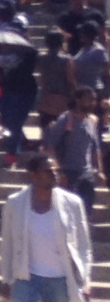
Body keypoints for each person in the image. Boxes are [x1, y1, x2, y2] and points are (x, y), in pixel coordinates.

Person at [0, 155, 92, 302]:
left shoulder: (72, 203)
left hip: (60, 280)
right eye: (48, 171)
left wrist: (85, 280)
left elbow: (83, 244)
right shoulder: (15, 203)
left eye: (56, 170)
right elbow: (7, 243)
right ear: (33, 175)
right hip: (26, 278)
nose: (54, 175)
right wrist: (7, 279)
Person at [43, 87, 101, 215]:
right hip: (68, 173)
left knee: (86, 212)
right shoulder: (66, 119)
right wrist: (59, 172)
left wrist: (99, 171)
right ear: (78, 100)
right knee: (67, 212)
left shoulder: (92, 121)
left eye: (94, 100)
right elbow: (50, 148)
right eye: (89, 99)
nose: (92, 103)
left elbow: (95, 148)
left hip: (86, 174)